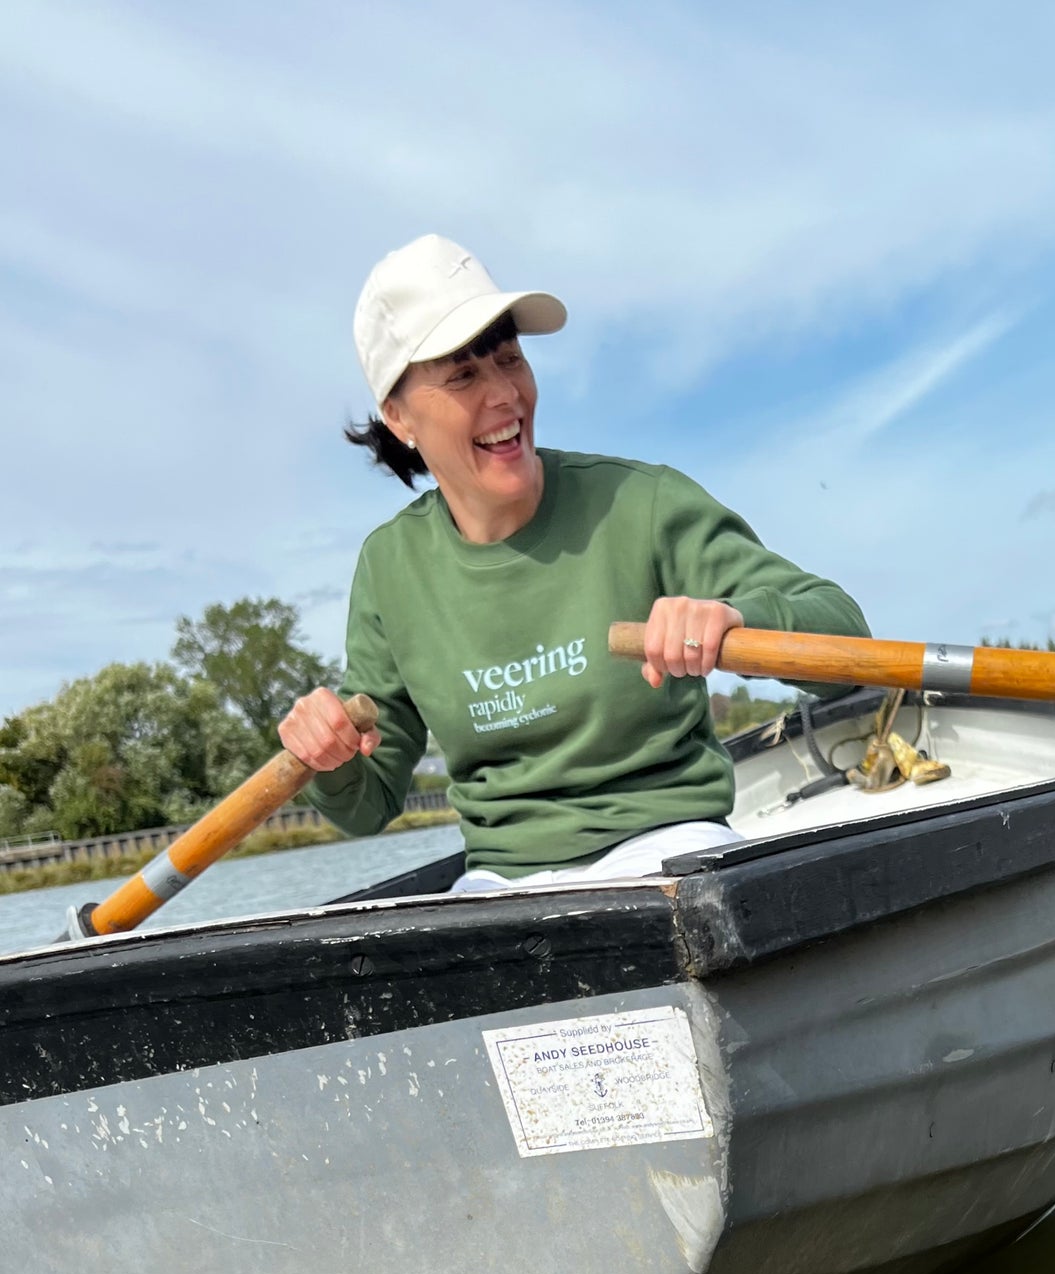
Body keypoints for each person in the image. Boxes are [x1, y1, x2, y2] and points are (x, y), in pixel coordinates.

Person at [280, 234, 869, 890]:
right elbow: (367, 803)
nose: (505, 394)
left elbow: (846, 638)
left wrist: (733, 619)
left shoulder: (642, 502)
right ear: (398, 416)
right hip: (499, 883)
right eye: (465, 375)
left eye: (509, 359)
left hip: (669, 845)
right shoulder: (389, 566)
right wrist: (327, 757)